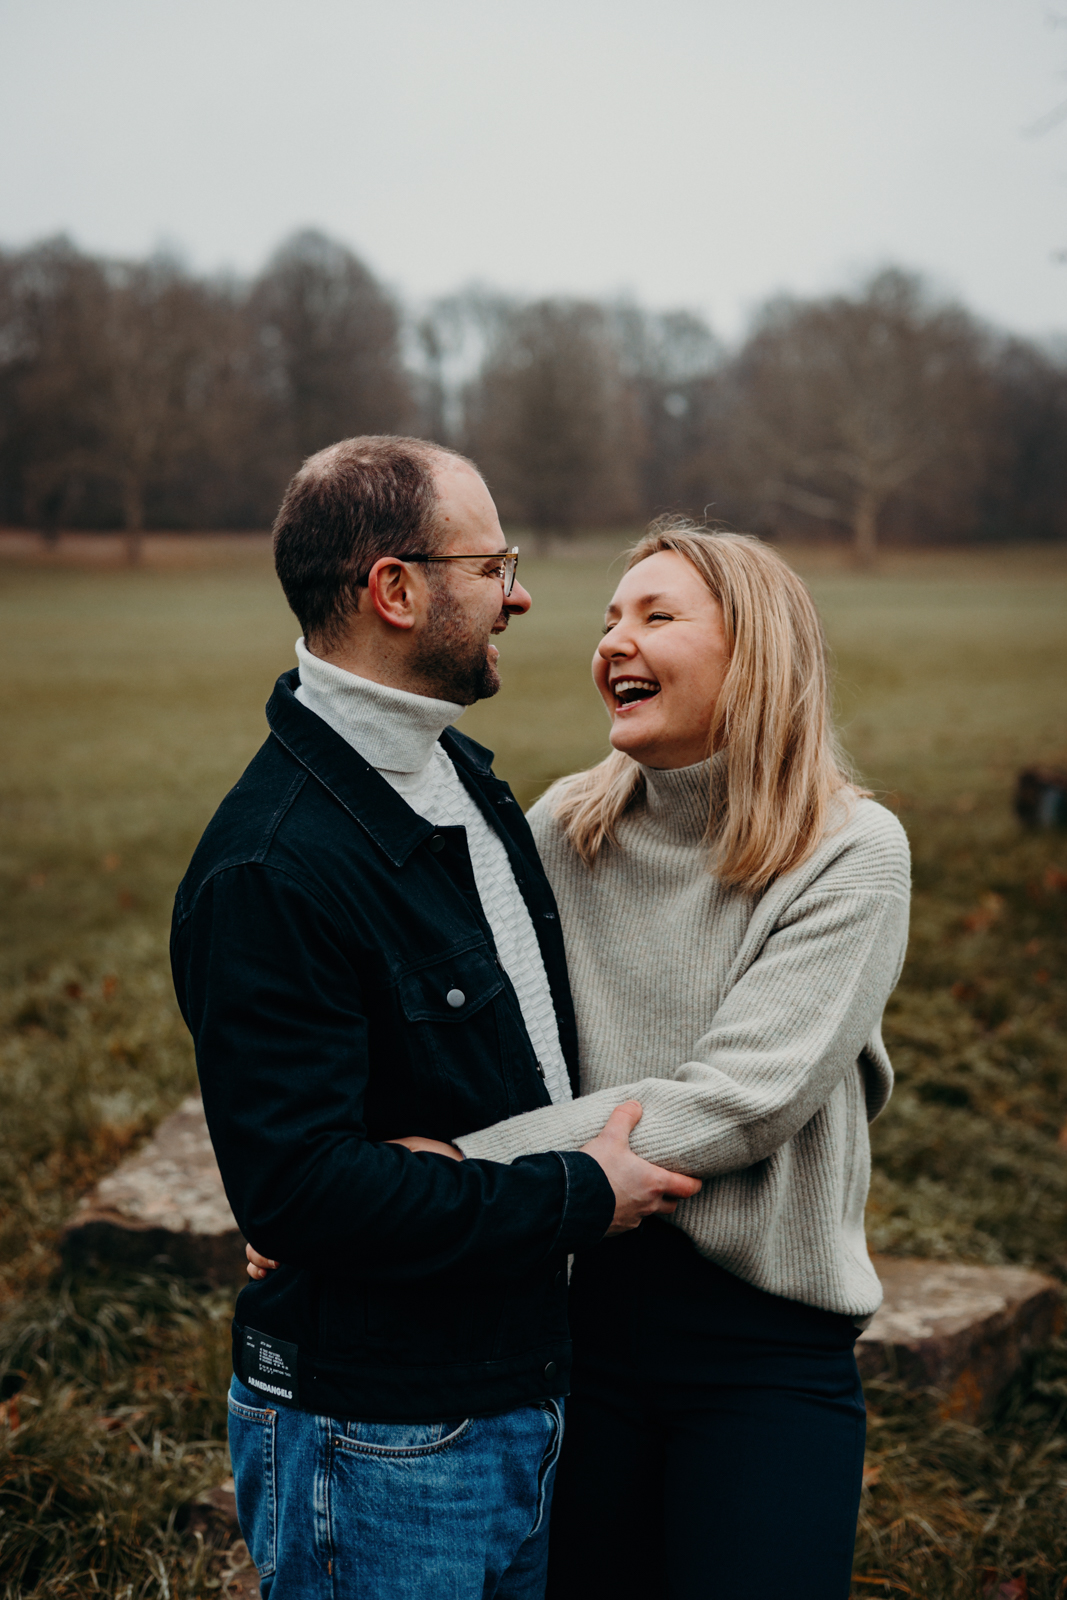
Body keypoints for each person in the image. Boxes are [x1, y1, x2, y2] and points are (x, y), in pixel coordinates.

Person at [339, 523, 911, 1599]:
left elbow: (740, 1102)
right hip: (571, 1323)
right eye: (608, 618)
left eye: (655, 615)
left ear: (756, 652)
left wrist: (444, 1170)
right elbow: (460, 1036)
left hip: (761, 1349)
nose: (613, 640)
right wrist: (339, 1185)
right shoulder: (564, 823)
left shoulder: (849, 850)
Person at [171, 437, 698, 1600]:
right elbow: (299, 1192)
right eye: (492, 565)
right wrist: (575, 1193)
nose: (518, 594)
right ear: (394, 590)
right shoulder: (271, 867)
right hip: (378, 1437)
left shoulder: (462, 782)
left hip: (520, 1392)